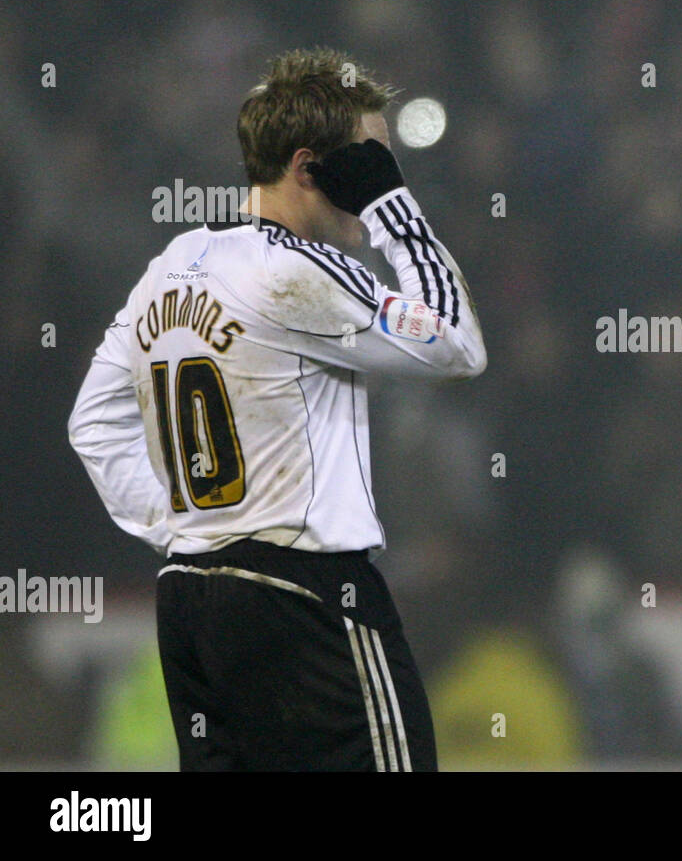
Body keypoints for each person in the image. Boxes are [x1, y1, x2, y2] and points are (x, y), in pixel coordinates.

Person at [68, 48, 486, 770]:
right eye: (373, 162)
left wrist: (188, 529)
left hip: (190, 603)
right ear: (306, 167)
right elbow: (455, 344)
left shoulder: (168, 269)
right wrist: (394, 211)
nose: (386, 179)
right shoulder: (299, 271)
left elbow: (93, 423)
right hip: (309, 599)